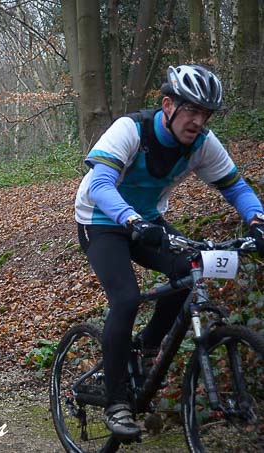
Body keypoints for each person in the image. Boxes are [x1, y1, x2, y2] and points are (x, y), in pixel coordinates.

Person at [74, 64, 264, 439]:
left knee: (188, 272)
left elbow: (236, 187)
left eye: (205, 113)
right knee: (126, 298)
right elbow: (100, 184)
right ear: (167, 105)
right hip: (99, 219)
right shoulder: (131, 130)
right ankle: (116, 403)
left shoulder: (202, 143)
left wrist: (258, 221)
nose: (198, 121)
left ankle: (147, 347)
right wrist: (131, 220)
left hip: (146, 219)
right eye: (191, 110)